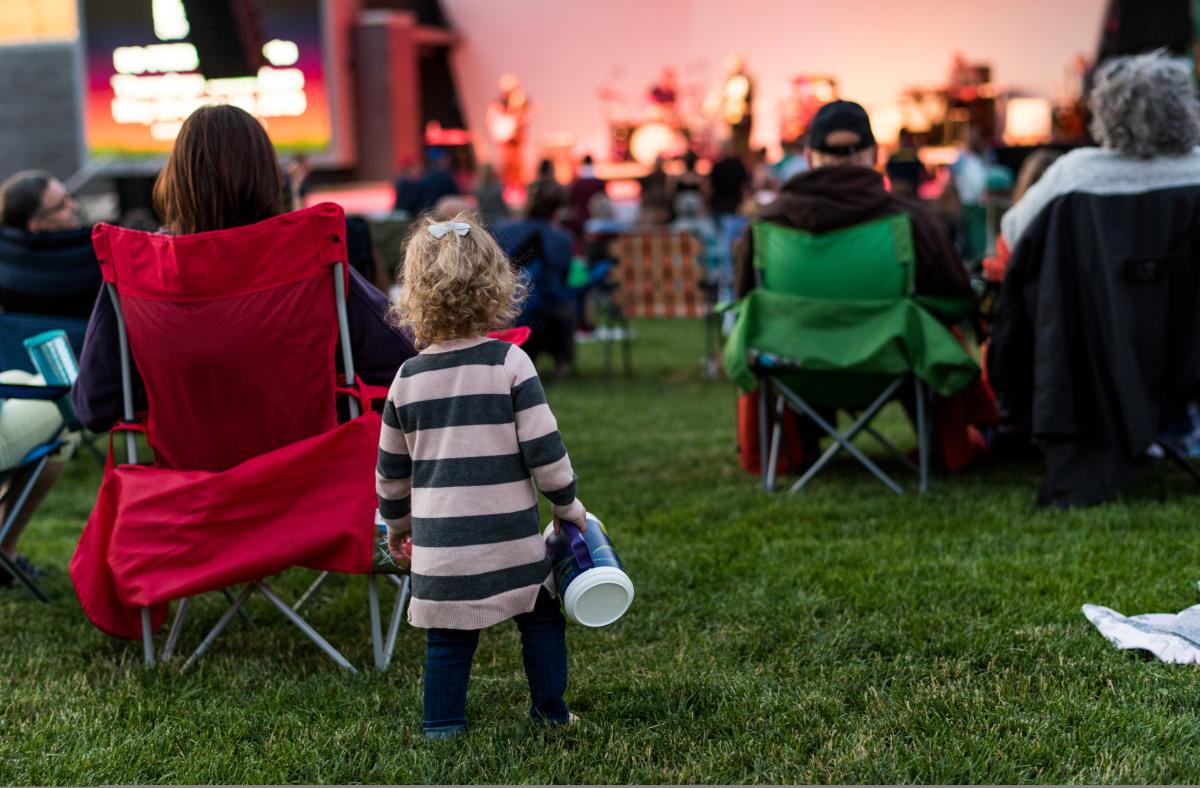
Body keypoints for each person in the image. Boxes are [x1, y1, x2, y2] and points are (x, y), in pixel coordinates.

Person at [72, 104, 416, 432]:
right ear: (267, 178)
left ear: (174, 181)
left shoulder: (137, 273)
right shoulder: (308, 257)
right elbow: (403, 359)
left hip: (191, 486)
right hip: (313, 478)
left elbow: (95, 406)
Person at [377, 210, 587, 739]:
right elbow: (546, 452)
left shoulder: (407, 378)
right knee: (540, 616)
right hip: (511, 543)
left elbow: (391, 472)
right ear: (497, 287)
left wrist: (397, 527)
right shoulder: (510, 364)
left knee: (447, 641)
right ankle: (550, 712)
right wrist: (567, 507)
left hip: (443, 549)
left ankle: (443, 725)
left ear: (414, 295)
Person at [988, 50, 1200, 506]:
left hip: (1092, 346)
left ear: (1105, 110)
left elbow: (1011, 247)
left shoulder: (1073, 175)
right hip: (1189, 344)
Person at [734, 100, 973, 303]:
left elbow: (745, 304)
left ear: (808, 158)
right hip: (889, 356)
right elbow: (955, 300)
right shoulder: (914, 223)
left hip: (791, 355)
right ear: (876, 154)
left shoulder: (766, 224)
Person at [493, 179, 576, 375]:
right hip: (549, 307)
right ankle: (560, 362)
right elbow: (563, 276)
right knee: (564, 303)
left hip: (508, 306)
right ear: (559, 208)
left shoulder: (505, 229)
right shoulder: (562, 238)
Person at [0, 170, 102, 318]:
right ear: (35, 224)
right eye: (61, 206)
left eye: (69, 197)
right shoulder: (94, 254)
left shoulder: (6, 263)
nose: (74, 206)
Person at [566, 155, 606, 239]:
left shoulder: (577, 184)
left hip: (581, 219)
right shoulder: (599, 184)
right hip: (594, 221)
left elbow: (571, 203)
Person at [708, 140, 749, 220]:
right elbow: (744, 186)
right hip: (735, 205)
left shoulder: (717, 166)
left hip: (718, 205)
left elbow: (710, 187)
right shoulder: (738, 166)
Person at [885, 128, 928, 199]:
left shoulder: (895, 156)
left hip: (899, 188)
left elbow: (889, 170)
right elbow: (922, 172)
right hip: (910, 189)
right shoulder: (913, 156)